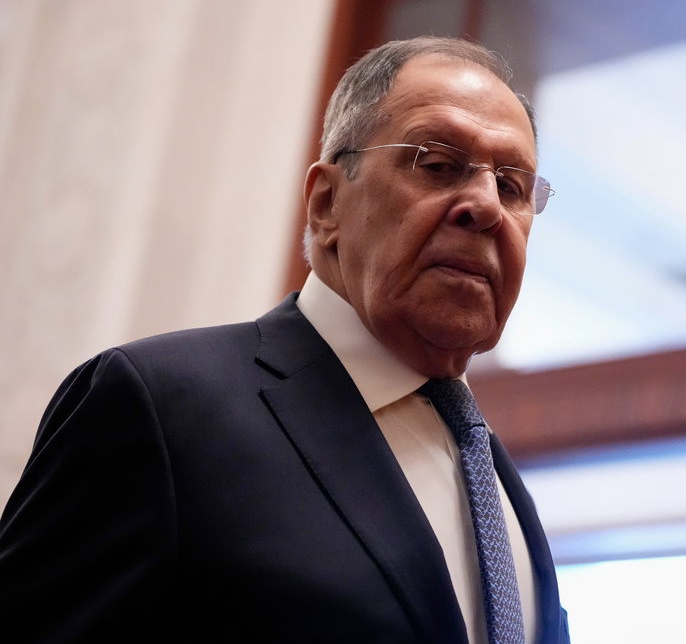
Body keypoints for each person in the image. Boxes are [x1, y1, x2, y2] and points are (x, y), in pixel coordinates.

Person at [0, 36, 569, 643]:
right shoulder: (159, 408)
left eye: (512, 186)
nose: (485, 205)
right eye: (437, 164)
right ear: (327, 204)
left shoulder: (497, 482)